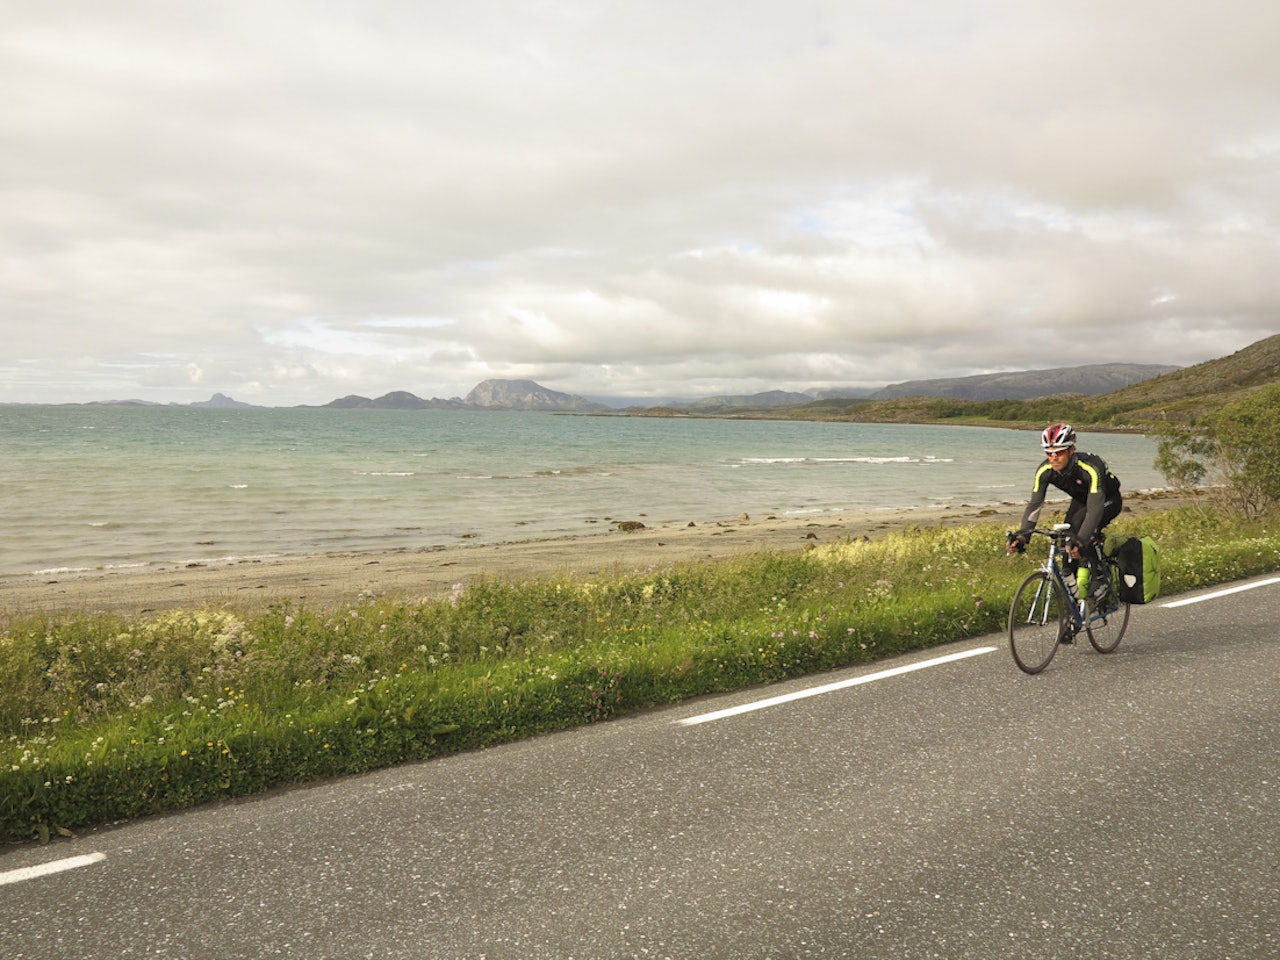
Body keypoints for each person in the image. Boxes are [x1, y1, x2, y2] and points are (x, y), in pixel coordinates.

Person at [1007, 423, 1123, 608]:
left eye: (1059, 452)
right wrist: (1023, 535)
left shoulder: (1091, 467)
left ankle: (1101, 576)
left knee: (1080, 531)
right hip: (1081, 500)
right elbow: (1035, 505)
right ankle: (1074, 606)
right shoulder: (1045, 471)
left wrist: (1082, 540)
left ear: (1071, 450)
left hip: (1106, 499)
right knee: (1066, 538)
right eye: (1049, 453)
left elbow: (1094, 510)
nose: (1054, 457)